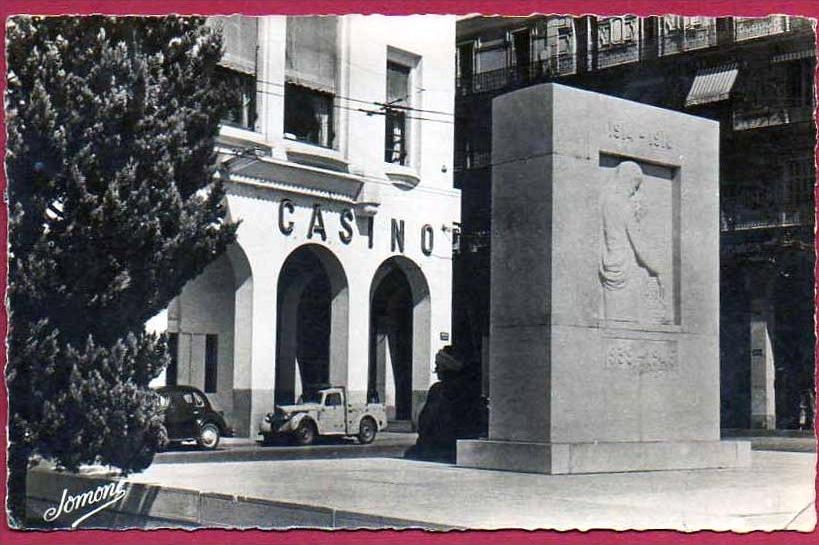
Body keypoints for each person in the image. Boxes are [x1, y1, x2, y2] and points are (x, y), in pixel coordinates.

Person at [599, 161, 667, 323]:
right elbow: (639, 245)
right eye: (635, 184)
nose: (635, 190)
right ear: (626, 180)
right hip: (625, 265)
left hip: (610, 260)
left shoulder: (606, 201)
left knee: (615, 318)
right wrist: (658, 268)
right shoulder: (623, 204)